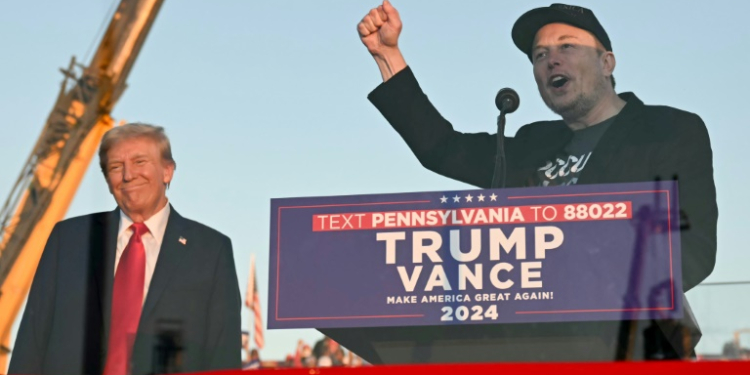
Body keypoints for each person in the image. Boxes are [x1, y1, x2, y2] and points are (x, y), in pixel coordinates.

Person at [357, 2, 717, 358]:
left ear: (606, 63)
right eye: (539, 54)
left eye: (567, 46)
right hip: (535, 346)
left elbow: (693, 250)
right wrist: (388, 55)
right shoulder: (533, 143)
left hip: (634, 344)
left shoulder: (668, 130)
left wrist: (595, 287)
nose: (551, 60)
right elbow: (443, 149)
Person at [9, 123, 242, 374]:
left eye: (140, 162)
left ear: (167, 171)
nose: (128, 175)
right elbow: (31, 343)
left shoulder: (211, 251)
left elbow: (223, 356)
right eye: (116, 167)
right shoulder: (68, 239)